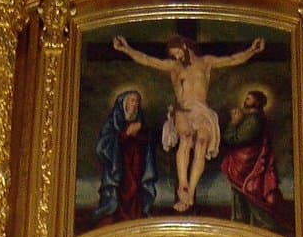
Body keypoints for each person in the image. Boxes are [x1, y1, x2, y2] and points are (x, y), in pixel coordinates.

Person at [112, 30, 266, 212]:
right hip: (183, 110)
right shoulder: (174, 67)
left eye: (177, 52)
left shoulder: (206, 63)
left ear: (184, 46)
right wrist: (126, 49)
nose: (176, 57)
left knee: (201, 143)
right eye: (173, 55)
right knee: (185, 138)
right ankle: (183, 186)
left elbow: (232, 59)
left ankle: (190, 192)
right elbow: (147, 59)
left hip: (202, 111)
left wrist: (252, 51)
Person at [92, 88, 158, 222]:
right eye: (132, 101)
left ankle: (136, 217)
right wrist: (126, 134)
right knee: (126, 189)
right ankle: (119, 217)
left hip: (137, 165)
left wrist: (139, 134)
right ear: (124, 103)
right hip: (120, 164)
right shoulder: (113, 122)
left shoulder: (140, 122)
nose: (135, 104)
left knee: (136, 191)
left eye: (137, 102)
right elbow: (103, 145)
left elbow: (147, 143)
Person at [219, 89, 282, 229]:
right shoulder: (251, 119)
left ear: (257, 102)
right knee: (242, 193)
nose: (245, 101)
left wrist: (234, 123)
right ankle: (242, 223)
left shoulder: (254, 120)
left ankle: (252, 224)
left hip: (247, 164)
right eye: (246, 98)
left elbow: (235, 139)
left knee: (250, 192)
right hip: (242, 162)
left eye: (249, 99)